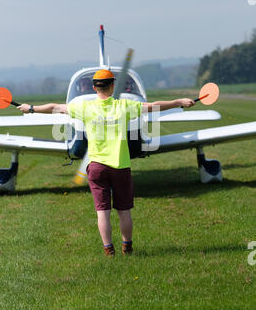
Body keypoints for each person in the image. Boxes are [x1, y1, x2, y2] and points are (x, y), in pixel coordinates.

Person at [17, 70, 195, 257]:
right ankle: (127, 246)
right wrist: (178, 102)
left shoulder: (84, 108)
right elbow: (153, 106)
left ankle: (108, 250)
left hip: (96, 167)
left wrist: (31, 108)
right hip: (120, 166)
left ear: (94, 88)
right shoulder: (124, 106)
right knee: (124, 211)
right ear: (113, 86)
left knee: (103, 212)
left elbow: (56, 107)